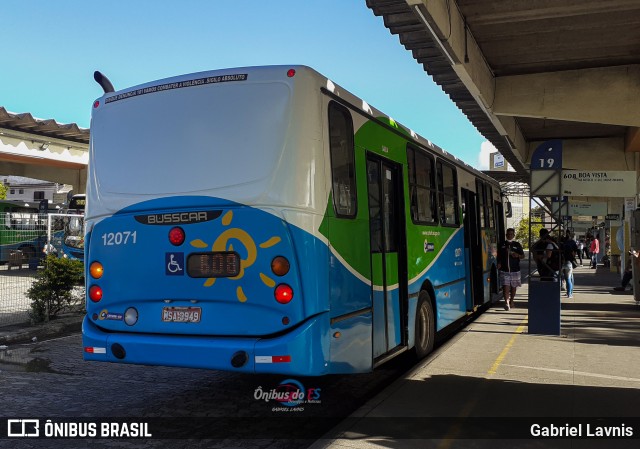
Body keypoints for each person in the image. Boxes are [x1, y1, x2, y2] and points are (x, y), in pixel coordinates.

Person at [497, 228, 525, 311]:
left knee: (513, 287)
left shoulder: (517, 244)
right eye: (508, 234)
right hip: (504, 270)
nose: (509, 235)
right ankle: (507, 303)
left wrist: (518, 255)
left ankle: (512, 300)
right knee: (506, 287)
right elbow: (497, 255)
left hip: (515, 270)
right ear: (506, 235)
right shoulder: (502, 245)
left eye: (511, 234)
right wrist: (499, 263)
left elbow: (523, 256)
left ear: (513, 235)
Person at [561, 231, 579, 298]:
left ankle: (563, 288)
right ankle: (569, 293)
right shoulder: (571, 244)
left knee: (563, 277)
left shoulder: (561, 245)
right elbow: (574, 253)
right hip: (569, 263)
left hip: (561, 263)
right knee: (569, 278)